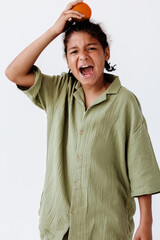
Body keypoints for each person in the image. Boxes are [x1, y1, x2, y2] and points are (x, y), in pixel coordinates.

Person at [5, 0, 160, 239]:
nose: (83, 56)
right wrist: (55, 30)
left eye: (91, 48)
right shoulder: (58, 91)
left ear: (106, 52)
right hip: (59, 228)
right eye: (74, 51)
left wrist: (146, 222)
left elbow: (141, 166)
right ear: (67, 61)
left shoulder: (125, 102)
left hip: (107, 228)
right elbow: (14, 72)